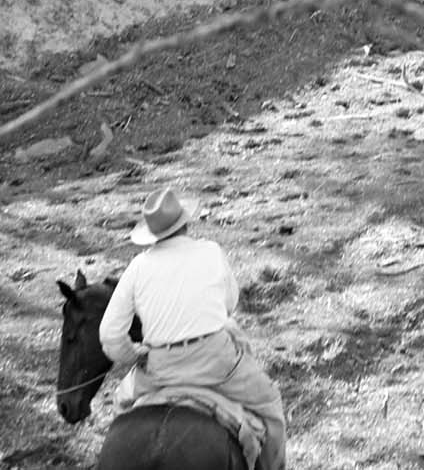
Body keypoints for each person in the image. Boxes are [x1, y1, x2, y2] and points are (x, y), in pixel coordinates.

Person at [99, 185, 287, 470]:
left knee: (121, 406)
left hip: (160, 366)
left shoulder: (138, 266)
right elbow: (229, 303)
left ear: (152, 235)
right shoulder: (211, 251)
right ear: (185, 222)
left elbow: (110, 335)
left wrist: (134, 355)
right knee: (271, 408)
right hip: (216, 362)